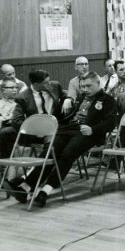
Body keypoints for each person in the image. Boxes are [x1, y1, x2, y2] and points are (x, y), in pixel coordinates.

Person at [5, 72, 117, 207]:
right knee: (50, 151)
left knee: (67, 154)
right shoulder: (82, 97)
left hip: (89, 133)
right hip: (69, 129)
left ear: (98, 84)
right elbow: (70, 115)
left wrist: (93, 129)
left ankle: (45, 191)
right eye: (83, 86)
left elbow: (111, 122)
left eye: (89, 86)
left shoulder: (108, 100)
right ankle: (27, 186)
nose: (85, 89)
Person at [0, 69, 67, 160]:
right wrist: (35, 129)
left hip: (54, 127)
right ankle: (6, 166)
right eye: (46, 83)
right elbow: (16, 120)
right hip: (34, 131)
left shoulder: (55, 86)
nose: (49, 84)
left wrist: (68, 99)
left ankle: (38, 170)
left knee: (54, 143)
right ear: (36, 84)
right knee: (5, 133)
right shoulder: (23, 97)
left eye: (49, 81)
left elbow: (64, 96)